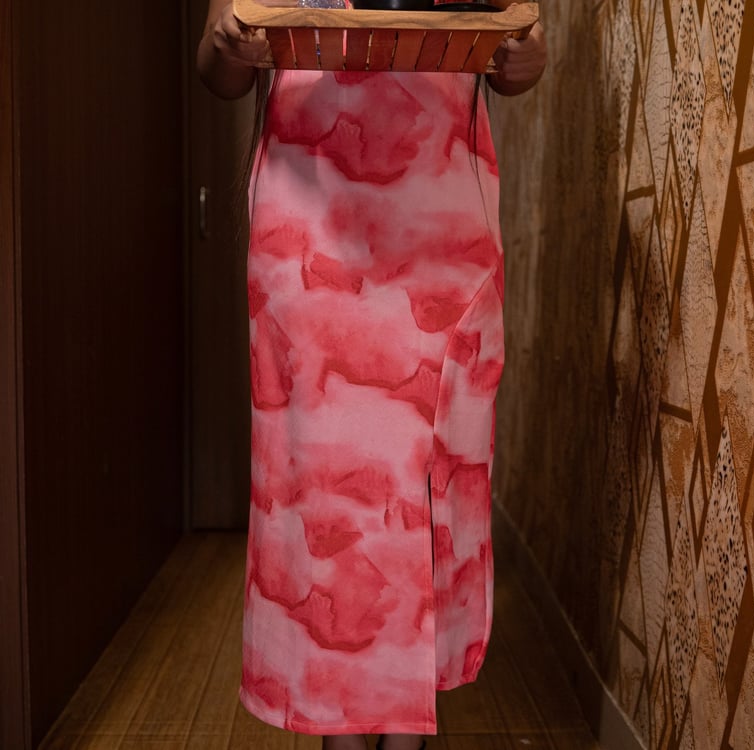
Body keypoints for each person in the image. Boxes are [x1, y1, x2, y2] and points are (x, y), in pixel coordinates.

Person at [197, 3, 546, 749]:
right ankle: (343, 731)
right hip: (311, 225)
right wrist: (229, 43)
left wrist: (526, 59)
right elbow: (217, 67)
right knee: (327, 490)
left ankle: (401, 727)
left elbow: (516, 46)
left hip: (436, 223)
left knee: (420, 476)